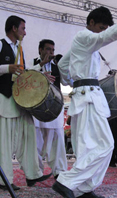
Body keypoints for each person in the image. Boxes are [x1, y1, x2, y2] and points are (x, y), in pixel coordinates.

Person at [52, 3, 117, 198]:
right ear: (91, 22)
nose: (103, 32)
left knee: (86, 146)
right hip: (88, 97)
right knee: (105, 145)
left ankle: (83, 189)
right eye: (101, 27)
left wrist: (73, 82)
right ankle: (66, 180)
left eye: (105, 28)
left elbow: (63, 64)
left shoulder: (86, 45)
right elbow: (108, 37)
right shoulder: (84, 37)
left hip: (85, 96)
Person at [0, 15, 52, 191]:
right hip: (5, 100)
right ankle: (4, 180)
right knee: (5, 143)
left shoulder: (20, 50)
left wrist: (40, 69)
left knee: (29, 133)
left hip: (18, 100)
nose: (25, 32)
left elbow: (23, 72)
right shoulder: (1, 45)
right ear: (14, 28)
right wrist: (7, 68)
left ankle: (33, 174)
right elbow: (10, 70)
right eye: (23, 28)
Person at [27, 39, 67, 179]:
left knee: (57, 138)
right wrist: (41, 67)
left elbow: (67, 80)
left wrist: (64, 65)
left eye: (53, 50)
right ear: (40, 50)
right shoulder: (32, 63)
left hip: (54, 107)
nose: (51, 52)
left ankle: (59, 171)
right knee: (35, 141)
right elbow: (25, 78)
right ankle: (35, 172)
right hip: (37, 107)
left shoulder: (58, 66)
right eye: (48, 49)